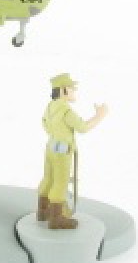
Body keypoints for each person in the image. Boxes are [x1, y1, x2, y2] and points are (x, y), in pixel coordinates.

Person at [37, 73, 108, 229]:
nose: (74, 92)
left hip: (50, 148)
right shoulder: (66, 110)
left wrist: (56, 133)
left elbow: (45, 124)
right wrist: (99, 116)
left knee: (48, 179)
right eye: (72, 89)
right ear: (63, 90)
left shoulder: (50, 106)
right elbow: (83, 127)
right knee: (60, 183)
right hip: (62, 151)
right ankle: (56, 218)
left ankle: (42, 211)